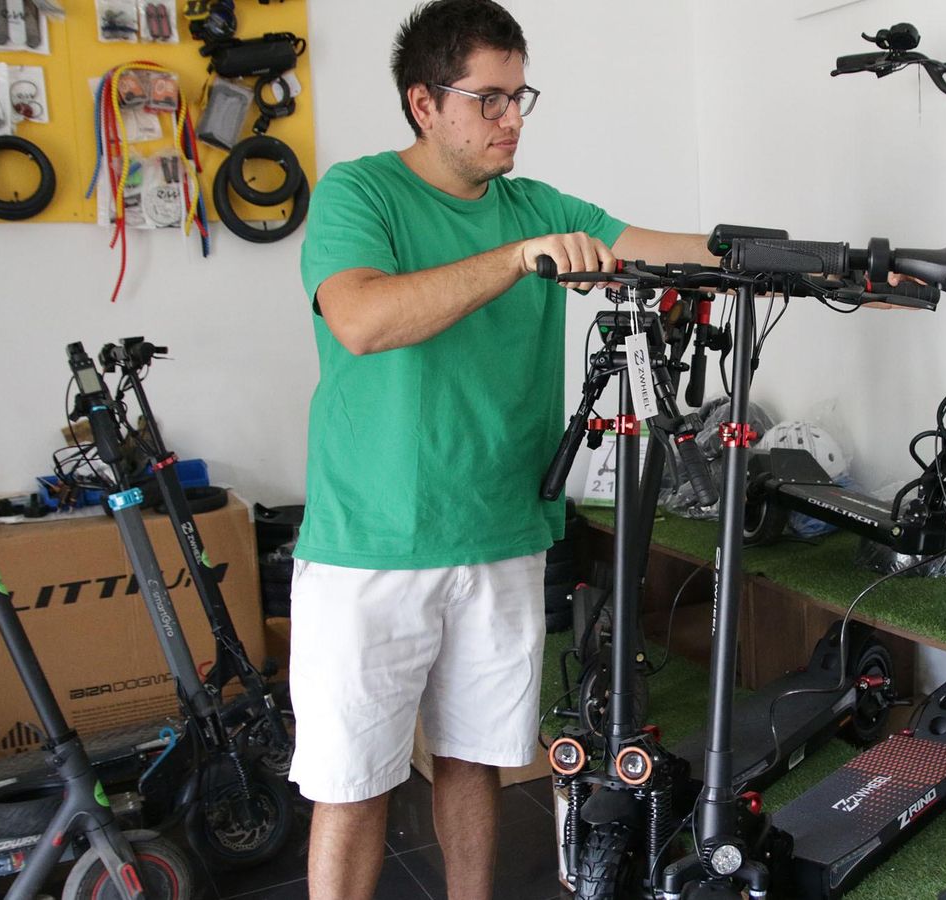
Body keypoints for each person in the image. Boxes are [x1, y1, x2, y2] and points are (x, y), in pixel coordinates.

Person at [290, 2, 716, 897]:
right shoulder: (359, 193)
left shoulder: (541, 207)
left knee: (476, 761)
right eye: (489, 99)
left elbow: (671, 250)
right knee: (353, 790)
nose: (511, 119)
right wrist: (516, 259)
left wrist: (838, 268)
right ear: (424, 103)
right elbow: (363, 319)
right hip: (375, 545)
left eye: (520, 97)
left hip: (504, 533)